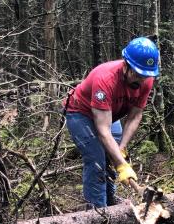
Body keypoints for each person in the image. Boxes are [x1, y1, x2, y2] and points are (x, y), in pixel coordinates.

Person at [64, 37, 159, 208]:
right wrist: (123, 165)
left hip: (108, 115)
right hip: (80, 113)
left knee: (114, 154)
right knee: (97, 162)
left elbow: (135, 116)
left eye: (145, 76)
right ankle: (98, 215)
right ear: (125, 65)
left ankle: (111, 202)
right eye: (137, 74)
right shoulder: (106, 79)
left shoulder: (147, 78)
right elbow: (103, 130)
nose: (141, 80)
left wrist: (121, 148)